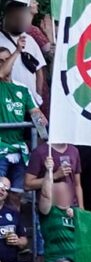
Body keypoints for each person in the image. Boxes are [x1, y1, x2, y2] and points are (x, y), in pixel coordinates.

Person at [0, 45, 43, 195]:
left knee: (17, 195)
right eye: (0, 61)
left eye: (7, 59)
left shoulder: (22, 89)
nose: (5, 63)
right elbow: (1, 73)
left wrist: (44, 135)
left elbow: (36, 115)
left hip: (19, 149)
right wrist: (17, 51)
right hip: (0, 149)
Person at [35, 153, 77, 262]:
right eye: (58, 191)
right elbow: (45, 195)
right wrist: (48, 170)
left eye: (66, 190)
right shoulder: (49, 212)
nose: (64, 192)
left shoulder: (77, 213)